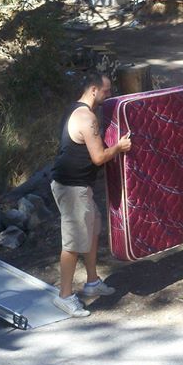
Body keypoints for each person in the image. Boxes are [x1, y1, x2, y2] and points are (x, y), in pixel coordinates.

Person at [51, 70, 132, 317]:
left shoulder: (75, 109)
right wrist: (119, 147)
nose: (109, 95)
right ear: (94, 90)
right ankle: (64, 296)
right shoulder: (87, 118)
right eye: (106, 91)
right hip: (72, 188)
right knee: (73, 242)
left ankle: (92, 281)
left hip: (77, 186)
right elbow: (98, 157)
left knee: (93, 228)